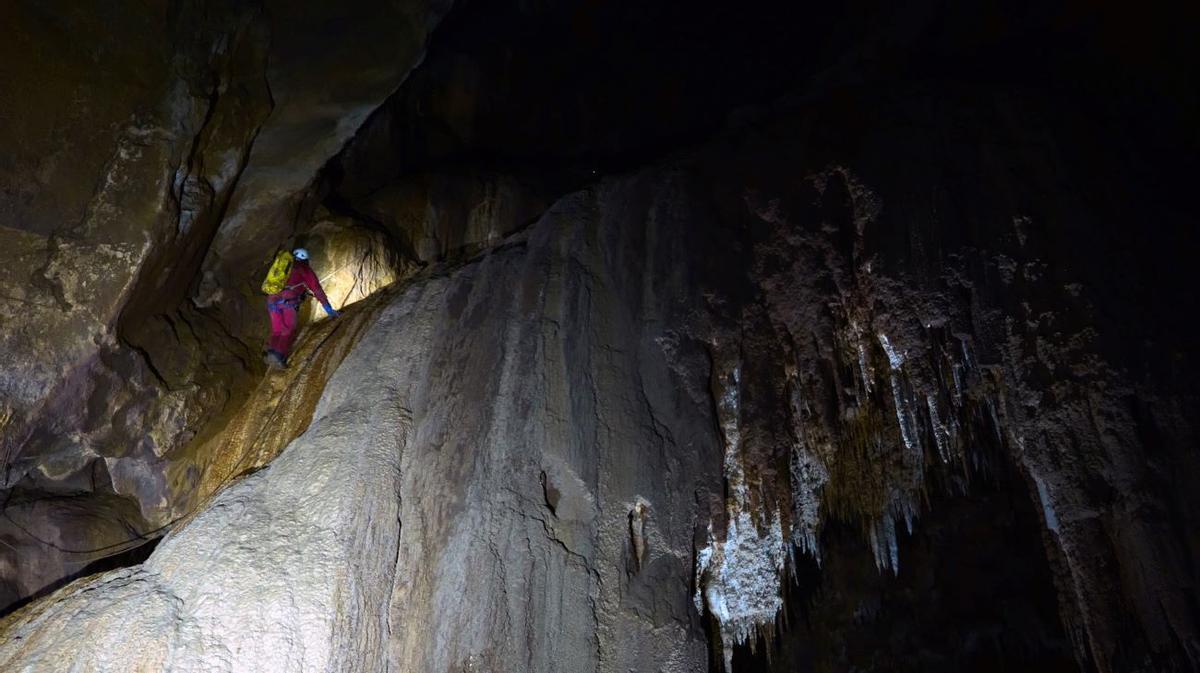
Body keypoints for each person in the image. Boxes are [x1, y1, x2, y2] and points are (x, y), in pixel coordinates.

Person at [264, 247, 339, 368]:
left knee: (277, 330)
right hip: (287, 301)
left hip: (272, 299)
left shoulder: (285, 266)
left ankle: (271, 353)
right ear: (305, 260)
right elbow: (317, 290)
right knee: (288, 329)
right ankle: (278, 356)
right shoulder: (304, 269)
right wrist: (328, 309)